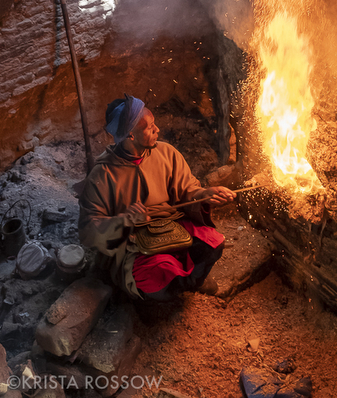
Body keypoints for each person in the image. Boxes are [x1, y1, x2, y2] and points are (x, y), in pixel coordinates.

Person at [78, 94, 235, 301]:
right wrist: (125, 220)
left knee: (213, 242)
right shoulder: (103, 176)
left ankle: (188, 283)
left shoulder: (166, 153)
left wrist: (203, 194)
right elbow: (88, 230)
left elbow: (188, 188)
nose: (157, 130)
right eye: (150, 127)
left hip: (172, 225)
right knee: (157, 275)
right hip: (132, 241)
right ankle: (163, 297)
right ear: (131, 135)